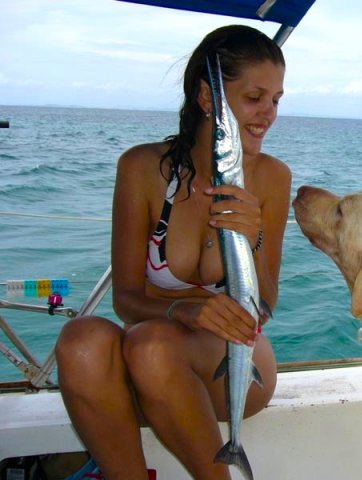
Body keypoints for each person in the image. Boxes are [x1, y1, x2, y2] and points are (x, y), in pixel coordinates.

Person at [55, 25, 290, 480]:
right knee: (81, 340)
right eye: (254, 98)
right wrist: (183, 310)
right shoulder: (142, 169)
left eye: (276, 100)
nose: (268, 114)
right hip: (157, 354)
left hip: (235, 363)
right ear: (209, 99)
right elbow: (126, 299)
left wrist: (253, 235)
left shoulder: (273, 178)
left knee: (149, 345)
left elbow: (266, 305)